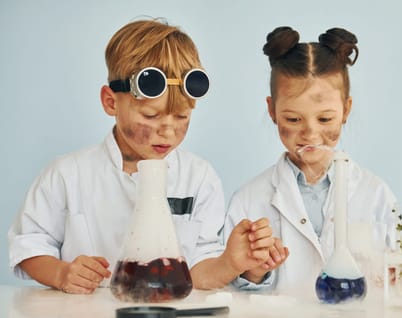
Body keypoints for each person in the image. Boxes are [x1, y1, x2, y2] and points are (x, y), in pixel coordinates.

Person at [7, 19, 274, 294]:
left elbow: (196, 273)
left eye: (182, 116)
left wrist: (230, 263)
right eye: (150, 115)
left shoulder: (199, 178)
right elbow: (29, 244)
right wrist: (62, 274)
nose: (167, 131)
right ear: (111, 102)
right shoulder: (67, 174)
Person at [223, 26, 397, 296]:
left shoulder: (375, 195)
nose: (310, 133)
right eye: (293, 119)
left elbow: (396, 280)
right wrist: (254, 271)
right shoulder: (249, 199)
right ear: (272, 110)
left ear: (346, 110)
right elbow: (233, 289)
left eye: (325, 118)